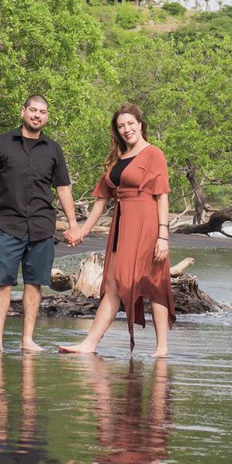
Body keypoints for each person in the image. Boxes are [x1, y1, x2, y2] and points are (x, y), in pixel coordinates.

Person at [59, 104, 173, 357]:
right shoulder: (117, 159)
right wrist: (81, 232)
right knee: (112, 283)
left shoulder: (154, 154)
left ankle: (162, 348)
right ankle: (89, 344)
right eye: (121, 126)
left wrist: (162, 236)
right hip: (121, 225)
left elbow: (162, 196)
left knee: (154, 281)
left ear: (140, 124)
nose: (126, 129)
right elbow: (101, 201)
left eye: (130, 124)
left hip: (146, 223)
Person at [0, 95, 78, 354]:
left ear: (47, 116)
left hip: (42, 226)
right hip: (7, 224)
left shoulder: (53, 148)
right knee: (3, 283)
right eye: (33, 110)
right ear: (22, 111)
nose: (37, 115)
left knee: (34, 283)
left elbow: (63, 188)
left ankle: (27, 340)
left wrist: (73, 223)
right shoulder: (1, 143)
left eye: (42, 112)